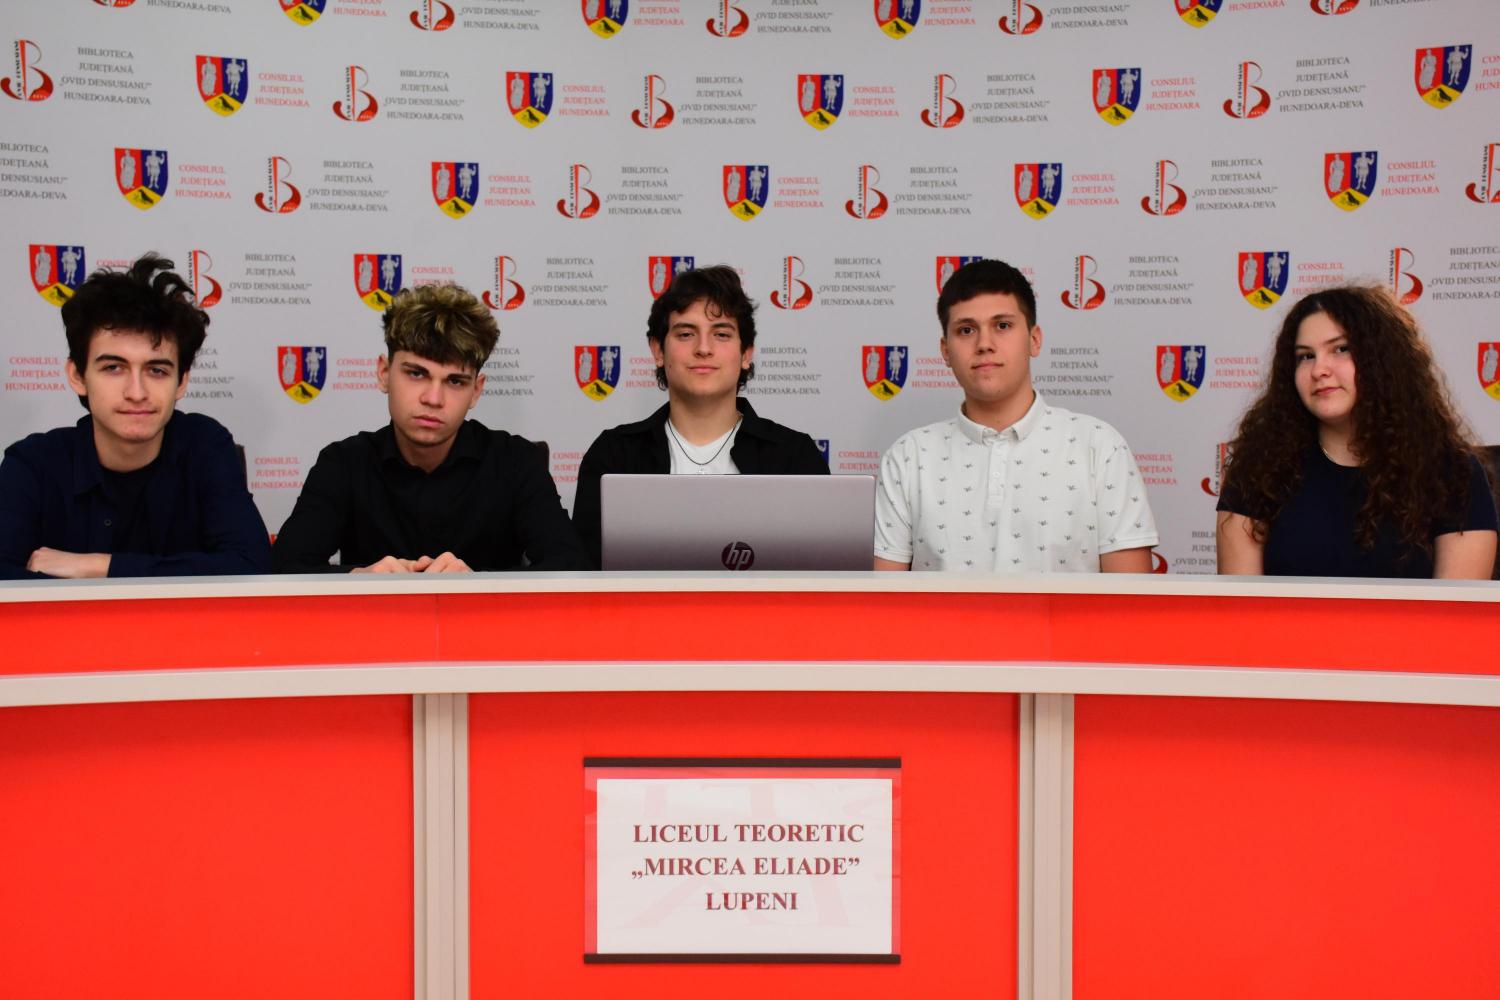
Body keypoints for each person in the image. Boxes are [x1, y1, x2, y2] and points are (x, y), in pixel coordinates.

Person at [272, 283, 588, 573]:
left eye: (455, 381)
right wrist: (358, 579)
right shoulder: (344, 463)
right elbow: (284, 567)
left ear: (476, 391)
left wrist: (480, 585)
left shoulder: (515, 461)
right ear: (384, 373)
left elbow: (572, 566)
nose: (433, 399)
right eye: (416, 374)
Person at [874, 258, 1158, 572]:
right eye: (966, 330)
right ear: (945, 351)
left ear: (1034, 340)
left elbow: (1129, 596)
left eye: (1002, 326)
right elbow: (882, 597)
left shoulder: (1099, 447)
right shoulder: (907, 457)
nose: (984, 344)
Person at [0, 253, 270, 578]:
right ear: (78, 376)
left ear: (181, 382)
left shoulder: (204, 445)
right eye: (114, 368)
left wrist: (98, 566)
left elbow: (251, 565)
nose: (137, 392)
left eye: (157, 370)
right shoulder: (33, 463)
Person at [1217, 285, 1496, 578]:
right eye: (1305, 356)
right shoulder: (1257, 470)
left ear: (1383, 361)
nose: (1319, 370)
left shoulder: (1453, 473)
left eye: (1341, 349)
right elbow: (1240, 602)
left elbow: (1457, 606)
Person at [572, 265, 827, 568]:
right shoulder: (614, 455)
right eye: (685, 334)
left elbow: (823, 574)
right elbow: (585, 574)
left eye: (721, 334)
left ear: (746, 354)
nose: (704, 348)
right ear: (658, 351)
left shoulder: (794, 456)